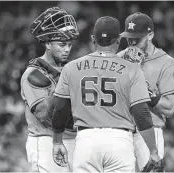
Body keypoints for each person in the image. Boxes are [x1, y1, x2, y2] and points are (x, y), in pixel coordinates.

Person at [51, 16, 160, 172]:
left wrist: (57, 142)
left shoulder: (71, 67)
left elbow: (60, 109)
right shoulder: (132, 69)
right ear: (118, 40)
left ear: (93, 39)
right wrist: (153, 151)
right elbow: (141, 113)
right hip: (119, 142)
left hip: (86, 141)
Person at [118, 12, 174, 171]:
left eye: (137, 38)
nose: (132, 42)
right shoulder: (119, 58)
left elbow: (169, 108)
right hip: (119, 131)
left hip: (148, 133)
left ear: (150, 35)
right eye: (129, 38)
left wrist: (142, 88)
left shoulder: (167, 63)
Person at [20, 7, 79, 172]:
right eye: (62, 44)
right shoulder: (33, 74)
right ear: (47, 43)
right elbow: (43, 115)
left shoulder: (68, 69)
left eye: (69, 44)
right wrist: (64, 85)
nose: (67, 49)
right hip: (46, 142)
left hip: (74, 140)